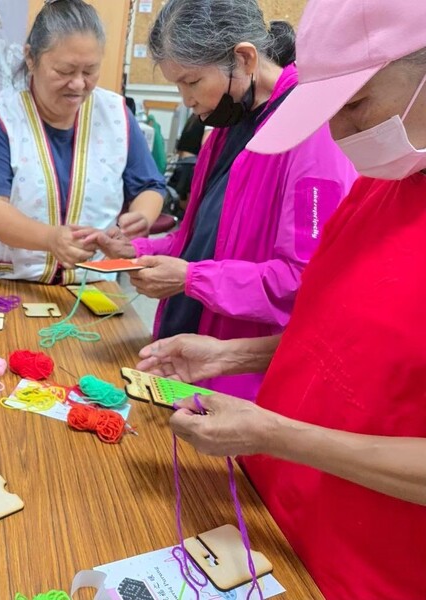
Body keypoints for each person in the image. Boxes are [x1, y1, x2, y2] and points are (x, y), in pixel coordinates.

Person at [142, 0, 426, 597]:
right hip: (272, 523)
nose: (339, 132)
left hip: (365, 570)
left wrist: (275, 434)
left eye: (354, 105)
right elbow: (332, 334)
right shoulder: (380, 188)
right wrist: (230, 357)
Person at [93, 0, 356, 399]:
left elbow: (301, 281)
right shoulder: (227, 125)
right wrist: (137, 250)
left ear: (244, 57)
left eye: (192, 82)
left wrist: (190, 279)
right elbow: (204, 240)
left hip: (242, 376)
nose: (186, 100)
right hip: (189, 354)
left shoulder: (311, 134)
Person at [0, 0, 165, 284]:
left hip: (90, 284)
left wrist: (141, 216)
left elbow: (149, 185)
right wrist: (50, 238)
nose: (79, 84)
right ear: (31, 58)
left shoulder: (116, 114)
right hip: (11, 281)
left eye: (90, 71)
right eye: (65, 71)